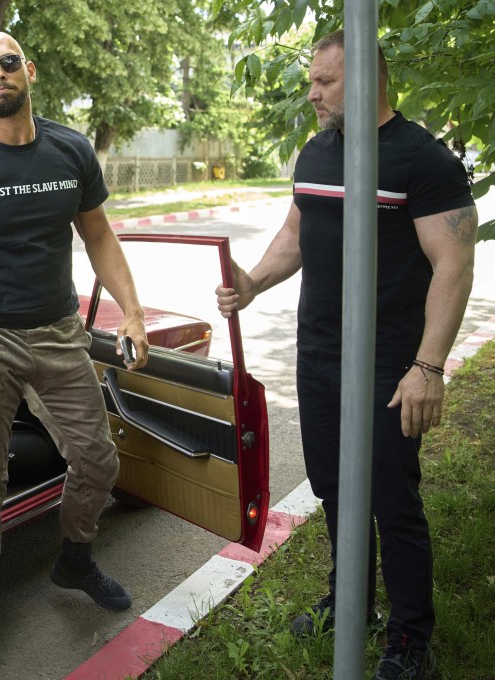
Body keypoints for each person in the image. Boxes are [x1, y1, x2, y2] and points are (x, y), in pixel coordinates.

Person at [216, 30, 476, 680]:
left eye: (324, 82)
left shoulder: (424, 160)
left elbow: (454, 265)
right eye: (312, 81)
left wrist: (429, 366)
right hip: (321, 355)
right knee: (334, 487)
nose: (312, 94)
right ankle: (352, 604)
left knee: (392, 495)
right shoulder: (317, 152)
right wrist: (252, 282)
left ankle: (411, 638)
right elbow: (297, 232)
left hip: (392, 364)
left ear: (366, 80)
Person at [0, 31, 151, 677]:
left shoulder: (69, 149)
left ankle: (74, 557)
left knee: (97, 459)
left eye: (8, 63)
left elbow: (99, 234)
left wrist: (132, 309)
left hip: (59, 332)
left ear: (29, 70)